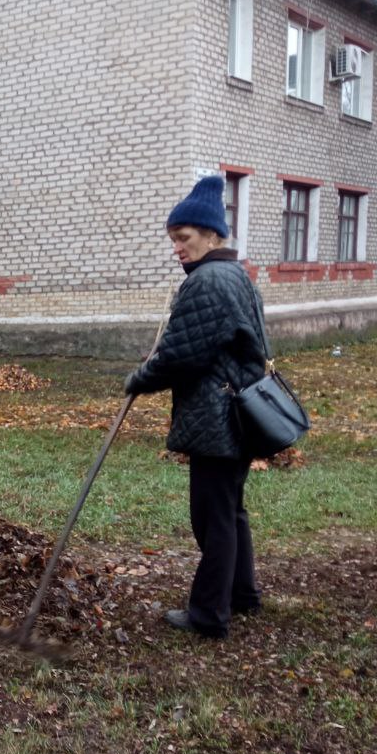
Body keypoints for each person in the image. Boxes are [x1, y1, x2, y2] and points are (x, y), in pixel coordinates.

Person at [124, 175, 269, 639]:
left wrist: (140, 378)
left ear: (210, 235)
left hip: (218, 418)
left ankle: (208, 615)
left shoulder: (207, 282)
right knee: (230, 510)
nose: (177, 248)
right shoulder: (236, 275)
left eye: (183, 238)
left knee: (212, 518)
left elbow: (181, 357)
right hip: (240, 415)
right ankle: (241, 595)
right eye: (173, 239)